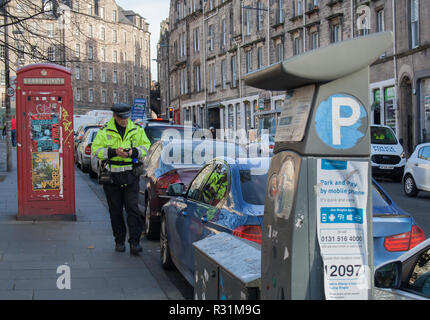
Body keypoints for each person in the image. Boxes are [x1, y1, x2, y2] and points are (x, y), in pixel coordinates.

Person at [92, 104, 151, 255]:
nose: (125, 121)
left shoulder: (137, 129)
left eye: (127, 117)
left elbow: (146, 146)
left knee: (133, 209)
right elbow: (96, 150)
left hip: (131, 176)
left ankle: (135, 243)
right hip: (112, 177)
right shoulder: (105, 131)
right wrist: (113, 152)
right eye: (121, 118)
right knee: (115, 211)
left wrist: (134, 152)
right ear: (115, 117)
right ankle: (119, 241)